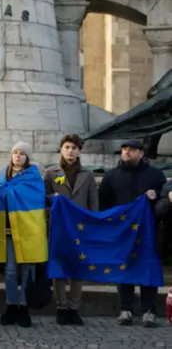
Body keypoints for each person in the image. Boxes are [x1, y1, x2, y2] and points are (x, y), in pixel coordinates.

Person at [98, 139, 167, 327]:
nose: (126, 152)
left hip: (148, 232)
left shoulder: (155, 175)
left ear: (141, 153)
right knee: (124, 268)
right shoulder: (111, 176)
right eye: (124, 149)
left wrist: (154, 197)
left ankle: (149, 310)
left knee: (148, 268)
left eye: (131, 150)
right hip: (122, 232)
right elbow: (103, 204)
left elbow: (164, 202)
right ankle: (125, 309)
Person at [44, 134, 98, 326]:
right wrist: (52, 200)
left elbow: (93, 203)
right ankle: (61, 306)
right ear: (61, 149)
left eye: (74, 148)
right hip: (58, 227)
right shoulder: (51, 173)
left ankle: (74, 308)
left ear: (79, 151)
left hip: (81, 227)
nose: (70, 151)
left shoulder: (87, 175)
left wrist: (93, 226)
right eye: (67, 147)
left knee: (77, 268)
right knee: (59, 267)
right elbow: (43, 200)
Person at [0, 142, 48, 328]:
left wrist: (11, 192)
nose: (17, 156)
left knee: (27, 270)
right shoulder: (4, 175)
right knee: (9, 271)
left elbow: (36, 198)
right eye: (15, 152)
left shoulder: (34, 177)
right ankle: (11, 306)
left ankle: (24, 307)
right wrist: (9, 191)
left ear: (27, 157)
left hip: (28, 229)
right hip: (7, 230)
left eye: (22, 153)